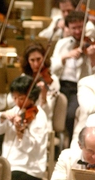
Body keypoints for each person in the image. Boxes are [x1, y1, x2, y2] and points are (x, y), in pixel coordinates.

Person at [0, 75, 48, 180]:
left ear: (32, 96)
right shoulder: (15, 110)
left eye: (21, 98)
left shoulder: (40, 116)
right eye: (15, 98)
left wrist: (21, 132)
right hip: (9, 164)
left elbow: (32, 148)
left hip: (29, 169)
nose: (17, 102)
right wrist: (3, 116)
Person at [50, 10, 95, 144]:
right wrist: (65, 57)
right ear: (68, 28)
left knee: (70, 115)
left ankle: (71, 141)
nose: (77, 31)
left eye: (80, 27)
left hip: (80, 88)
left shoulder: (91, 45)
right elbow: (52, 67)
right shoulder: (62, 44)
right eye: (74, 28)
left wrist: (92, 58)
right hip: (61, 85)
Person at [20, 42, 60, 131]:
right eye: (32, 60)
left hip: (43, 122)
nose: (36, 64)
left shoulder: (52, 80)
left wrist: (43, 95)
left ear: (44, 59)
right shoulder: (23, 78)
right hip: (24, 119)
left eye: (39, 59)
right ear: (27, 61)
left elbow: (48, 112)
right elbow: (10, 102)